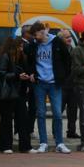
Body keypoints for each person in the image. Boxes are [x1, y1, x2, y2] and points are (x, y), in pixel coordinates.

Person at [27, 22, 72, 154]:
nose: (35, 38)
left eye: (36, 35)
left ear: (42, 32)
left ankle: (59, 143)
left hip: (54, 83)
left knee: (57, 113)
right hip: (40, 82)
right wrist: (32, 73)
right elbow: (30, 60)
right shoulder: (33, 45)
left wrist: (63, 76)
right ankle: (43, 142)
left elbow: (67, 60)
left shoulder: (57, 42)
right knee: (40, 113)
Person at [0, 38, 34, 154]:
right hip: (7, 93)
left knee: (23, 119)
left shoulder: (21, 57)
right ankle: (6, 146)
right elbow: (2, 74)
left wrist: (28, 77)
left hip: (18, 92)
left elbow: (25, 71)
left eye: (22, 46)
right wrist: (17, 76)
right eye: (19, 47)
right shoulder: (5, 57)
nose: (21, 49)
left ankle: (25, 146)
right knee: (7, 119)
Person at [58, 30, 80, 139]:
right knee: (59, 111)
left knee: (73, 111)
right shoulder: (57, 51)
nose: (69, 39)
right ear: (61, 39)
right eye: (66, 37)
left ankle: (71, 131)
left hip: (73, 85)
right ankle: (56, 132)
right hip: (61, 86)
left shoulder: (74, 50)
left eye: (70, 36)